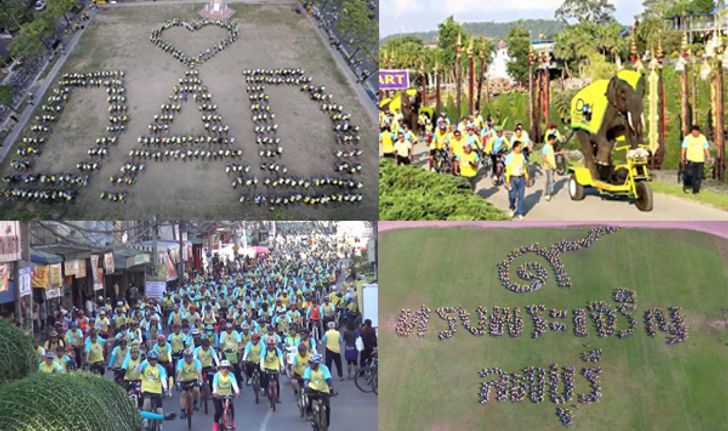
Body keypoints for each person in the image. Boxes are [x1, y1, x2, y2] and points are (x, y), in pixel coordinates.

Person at [137, 350, 169, 423]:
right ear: (148, 359)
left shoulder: (160, 368)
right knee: (147, 400)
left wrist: (165, 389)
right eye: (151, 359)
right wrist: (140, 362)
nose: (153, 361)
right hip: (146, 388)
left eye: (155, 359)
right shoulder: (145, 365)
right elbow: (138, 370)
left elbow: (163, 378)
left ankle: (160, 425)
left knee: (159, 409)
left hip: (157, 390)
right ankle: (145, 418)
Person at [303, 354, 334, 425]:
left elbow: (328, 379)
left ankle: (326, 424)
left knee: (327, 408)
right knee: (308, 397)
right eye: (309, 362)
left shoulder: (324, 368)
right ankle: (309, 412)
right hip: (313, 390)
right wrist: (305, 388)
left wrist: (331, 388)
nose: (309, 364)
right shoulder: (308, 370)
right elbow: (306, 380)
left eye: (311, 363)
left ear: (316, 364)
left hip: (324, 391)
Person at [680, 124, 711, 194]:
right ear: (692, 132)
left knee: (698, 176)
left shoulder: (702, 138)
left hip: (700, 160)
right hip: (690, 160)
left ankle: (696, 190)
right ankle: (687, 185)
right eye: (694, 132)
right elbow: (684, 148)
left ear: (699, 132)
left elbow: (706, 148)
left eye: (696, 132)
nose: (695, 134)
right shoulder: (688, 138)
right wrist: (682, 157)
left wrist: (708, 156)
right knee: (689, 174)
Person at [212, 360, 240, 431]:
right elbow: (214, 384)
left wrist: (237, 392)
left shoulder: (231, 375)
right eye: (223, 368)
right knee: (218, 411)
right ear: (220, 368)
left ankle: (232, 421)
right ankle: (215, 423)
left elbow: (234, 384)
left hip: (228, 394)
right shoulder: (217, 375)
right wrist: (215, 392)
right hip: (218, 395)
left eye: (227, 368)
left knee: (231, 408)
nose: (225, 369)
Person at [505, 140, 529, 219]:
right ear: (514, 148)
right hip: (512, 178)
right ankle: (512, 207)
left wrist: (526, 176)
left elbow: (524, 167)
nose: (520, 148)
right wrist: (507, 181)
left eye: (521, 147)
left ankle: (520, 212)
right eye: (519, 147)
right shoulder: (509, 156)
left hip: (521, 178)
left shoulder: (522, 156)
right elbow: (507, 170)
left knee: (521, 196)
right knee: (512, 196)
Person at [175, 348, 202, 419]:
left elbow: (199, 372)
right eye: (186, 357)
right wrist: (177, 381)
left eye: (190, 356)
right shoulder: (181, 362)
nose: (188, 358)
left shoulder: (197, 362)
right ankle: (182, 410)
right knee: (183, 393)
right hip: (184, 380)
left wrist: (200, 381)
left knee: (196, 389)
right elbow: (179, 372)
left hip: (194, 379)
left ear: (192, 356)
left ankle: (195, 402)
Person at [260, 336, 284, 403]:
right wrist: (262, 367)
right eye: (269, 344)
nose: (271, 346)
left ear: (275, 344)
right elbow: (262, 359)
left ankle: (278, 397)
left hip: (275, 367)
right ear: (267, 344)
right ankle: (264, 389)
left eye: (272, 344)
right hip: (266, 367)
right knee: (265, 378)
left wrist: (282, 366)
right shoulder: (264, 350)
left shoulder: (277, 350)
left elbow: (281, 359)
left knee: (277, 382)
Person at [542, 133, 558, 201]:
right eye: (554, 140)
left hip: (552, 166)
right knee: (550, 181)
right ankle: (548, 194)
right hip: (548, 167)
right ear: (551, 139)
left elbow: (551, 155)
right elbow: (544, 157)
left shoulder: (551, 146)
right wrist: (551, 165)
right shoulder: (546, 146)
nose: (554, 141)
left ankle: (547, 192)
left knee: (549, 180)